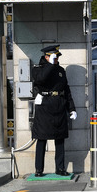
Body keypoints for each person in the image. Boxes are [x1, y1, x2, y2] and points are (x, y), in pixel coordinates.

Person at [31, 45, 77, 177]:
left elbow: (66, 90)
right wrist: (50, 65)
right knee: (41, 139)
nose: (56, 59)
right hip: (45, 106)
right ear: (46, 57)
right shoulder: (38, 69)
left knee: (60, 139)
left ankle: (60, 168)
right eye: (53, 57)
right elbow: (41, 79)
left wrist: (72, 108)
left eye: (57, 57)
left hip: (59, 105)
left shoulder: (61, 70)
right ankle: (39, 169)